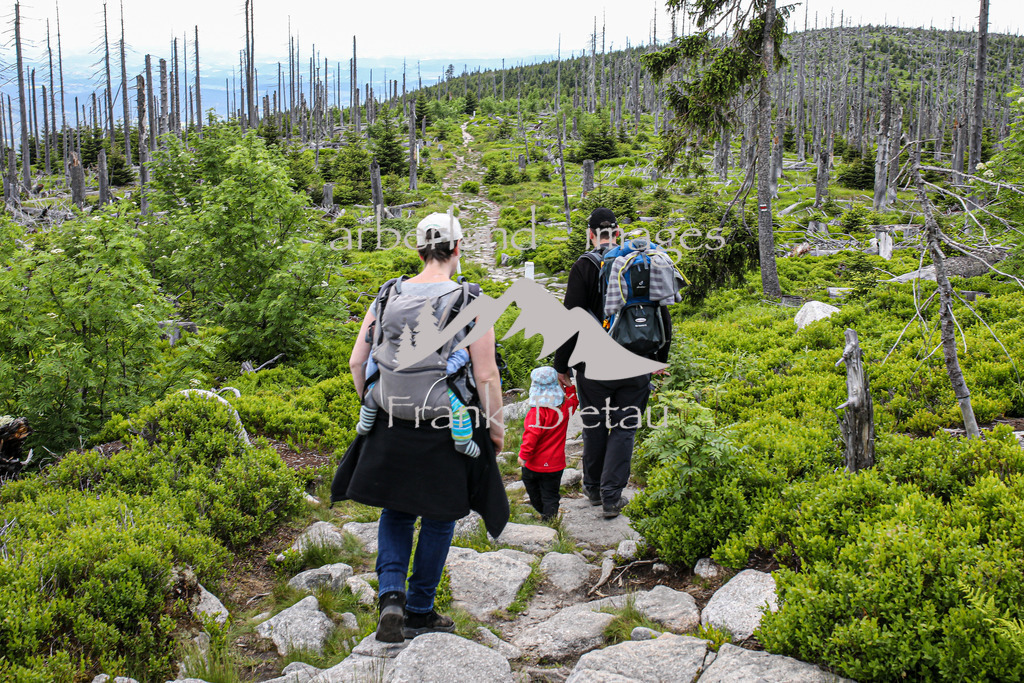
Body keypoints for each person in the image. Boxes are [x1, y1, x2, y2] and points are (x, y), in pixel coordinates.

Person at [332, 213, 508, 642]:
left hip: (391, 422)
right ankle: (419, 610)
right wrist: (496, 429)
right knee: (438, 518)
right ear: (457, 249)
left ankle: (390, 596)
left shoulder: (388, 294)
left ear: (418, 250)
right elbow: (486, 376)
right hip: (446, 428)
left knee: (396, 510)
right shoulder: (472, 301)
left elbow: (358, 361)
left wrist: (376, 404)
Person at [552, 207, 672, 519]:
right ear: (617, 233)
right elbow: (662, 313)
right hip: (634, 360)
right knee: (625, 428)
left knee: (593, 424)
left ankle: (592, 487)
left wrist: (561, 365)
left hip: (592, 365)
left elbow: (570, 319)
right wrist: (659, 359)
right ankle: (611, 496)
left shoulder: (584, 265)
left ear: (590, 234)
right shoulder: (639, 262)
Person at [518, 366, 580, 521]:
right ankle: (550, 518)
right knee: (551, 494)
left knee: (532, 488)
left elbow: (531, 435)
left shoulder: (536, 412)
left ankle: (543, 513)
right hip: (555, 465)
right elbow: (574, 401)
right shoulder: (564, 407)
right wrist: (569, 386)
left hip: (534, 464)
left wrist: (523, 455)